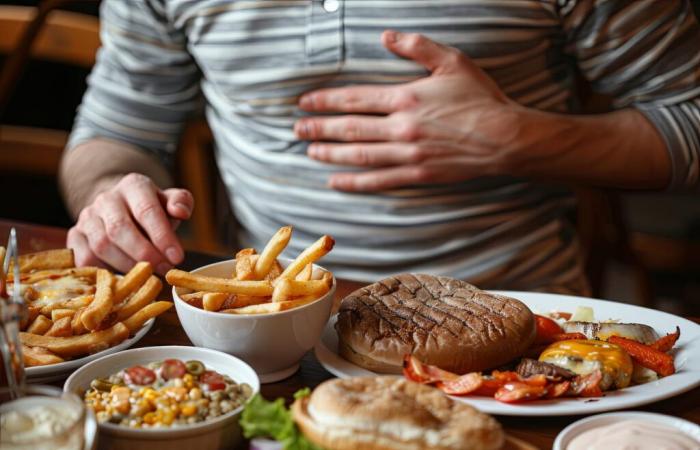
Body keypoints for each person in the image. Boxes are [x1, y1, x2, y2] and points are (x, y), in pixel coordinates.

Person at [60, 0, 700, 295]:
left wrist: (518, 139)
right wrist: (108, 192)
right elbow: (118, 132)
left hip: (516, 328)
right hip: (272, 337)